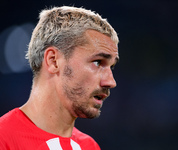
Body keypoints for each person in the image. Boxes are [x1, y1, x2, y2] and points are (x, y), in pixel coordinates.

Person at [0, 6, 119, 150]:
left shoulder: (90, 146)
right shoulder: (4, 139)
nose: (111, 82)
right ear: (53, 61)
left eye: (111, 67)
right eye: (97, 62)